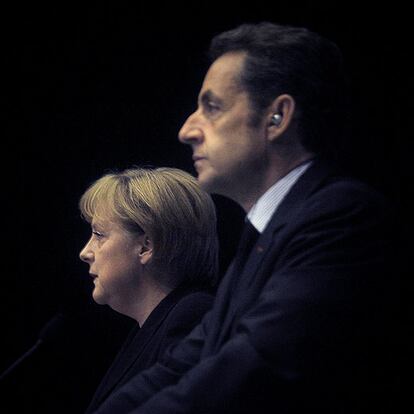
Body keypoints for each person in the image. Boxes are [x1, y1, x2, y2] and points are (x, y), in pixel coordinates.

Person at [93, 22, 396, 413]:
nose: (187, 130)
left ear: (277, 117)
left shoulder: (343, 219)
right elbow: (178, 367)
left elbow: (246, 372)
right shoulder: (264, 236)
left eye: (212, 107)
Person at [78, 167, 218, 413]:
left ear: (145, 247)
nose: (85, 253)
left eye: (99, 234)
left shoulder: (191, 316)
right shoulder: (149, 325)